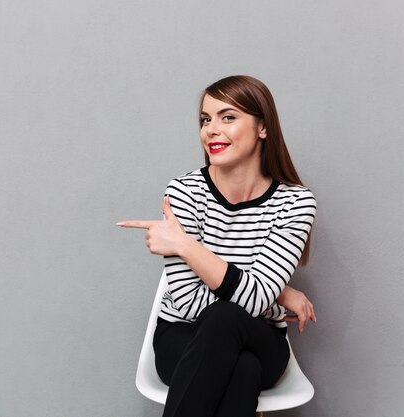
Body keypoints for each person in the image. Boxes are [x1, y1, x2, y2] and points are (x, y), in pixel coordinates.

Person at [117, 75, 317, 417]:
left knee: (226, 317)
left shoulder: (294, 203)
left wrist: (184, 245)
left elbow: (254, 300)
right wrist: (273, 292)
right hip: (181, 337)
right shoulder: (184, 192)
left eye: (228, 117)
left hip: (261, 338)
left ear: (263, 127)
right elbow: (191, 302)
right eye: (205, 120)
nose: (211, 129)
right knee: (241, 369)